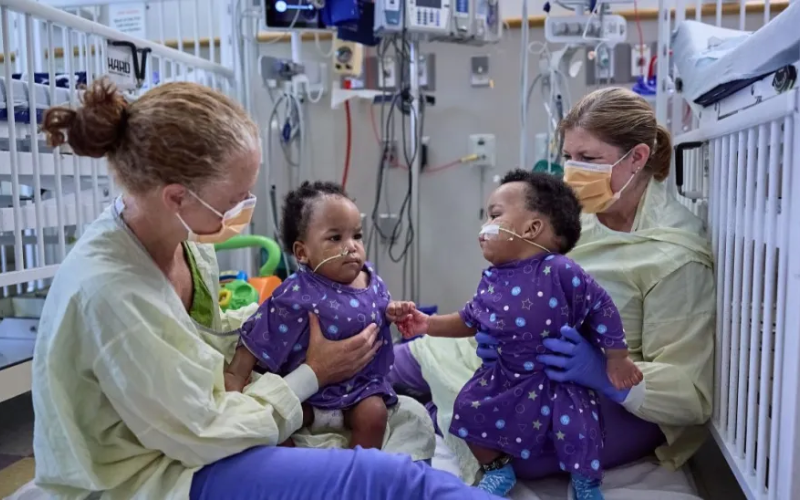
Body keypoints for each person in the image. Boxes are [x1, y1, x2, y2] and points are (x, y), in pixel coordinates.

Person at [31, 78, 500, 500]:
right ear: (176, 196)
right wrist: (311, 373)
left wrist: (275, 338)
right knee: (384, 479)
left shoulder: (184, 242)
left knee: (400, 426)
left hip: (194, 428)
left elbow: (200, 340)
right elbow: (201, 432)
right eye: (236, 200)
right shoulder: (112, 293)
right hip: (152, 474)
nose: (246, 211)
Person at [390, 87, 715, 488]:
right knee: (389, 362)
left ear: (638, 158)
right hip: (521, 363)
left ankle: (424, 412)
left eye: (589, 159)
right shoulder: (582, 220)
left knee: (511, 450)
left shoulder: (674, 256)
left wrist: (599, 370)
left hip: (611, 397)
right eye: (569, 157)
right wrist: (495, 329)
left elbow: (691, 395)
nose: (573, 172)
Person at [398, 171, 640, 498]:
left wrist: (616, 357)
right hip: (505, 376)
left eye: (494, 215)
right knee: (468, 409)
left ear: (531, 228)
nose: (483, 226)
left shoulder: (560, 270)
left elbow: (602, 307)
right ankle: (499, 469)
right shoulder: (493, 279)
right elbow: (468, 319)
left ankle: (586, 482)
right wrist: (429, 325)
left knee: (579, 430)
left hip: (557, 379)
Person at [225, 181, 415, 450]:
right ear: (303, 252)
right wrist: (236, 374)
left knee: (375, 415)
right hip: (308, 396)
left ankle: (360, 474)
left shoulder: (370, 278)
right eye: (335, 238)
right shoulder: (297, 292)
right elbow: (260, 330)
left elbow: (378, 307)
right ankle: (293, 475)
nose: (351, 247)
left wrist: (393, 310)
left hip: (359, 391)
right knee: (272, 425)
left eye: (357, 236)